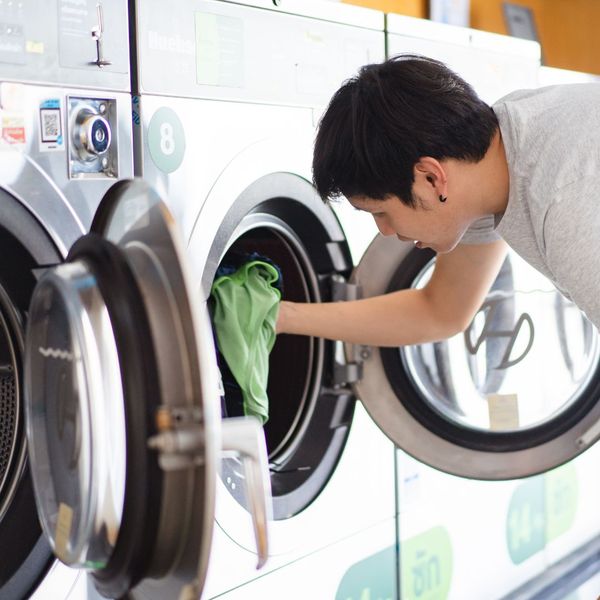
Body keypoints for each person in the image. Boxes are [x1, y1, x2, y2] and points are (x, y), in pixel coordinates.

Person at [275, 54, 600, 346]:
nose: (385, 231)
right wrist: (280, 317)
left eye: (380, 212)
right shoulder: (493, 163)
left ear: (431, 177)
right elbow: (442, 311)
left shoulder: (565, 201)